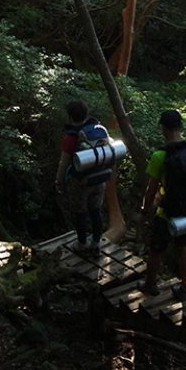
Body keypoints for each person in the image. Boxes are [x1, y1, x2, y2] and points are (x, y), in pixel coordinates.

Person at [139, 109, 186, 301]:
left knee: (156, 249)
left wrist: (145, 210)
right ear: (180, 126)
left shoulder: (160, 156)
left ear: (163, 128)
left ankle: (150, 284)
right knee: (183, 247)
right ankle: (185, 288)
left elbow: (151, 189)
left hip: (167, 212)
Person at [56, 100, 105, 256]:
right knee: (96, 211)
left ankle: (82, 244)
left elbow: (64, 163)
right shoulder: (97, 129)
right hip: (99, 178)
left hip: (80, 182)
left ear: (70, 117)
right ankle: (96, 244)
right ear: (86, 114)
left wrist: (59, 181)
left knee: (80, 213)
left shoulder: (70, 138)